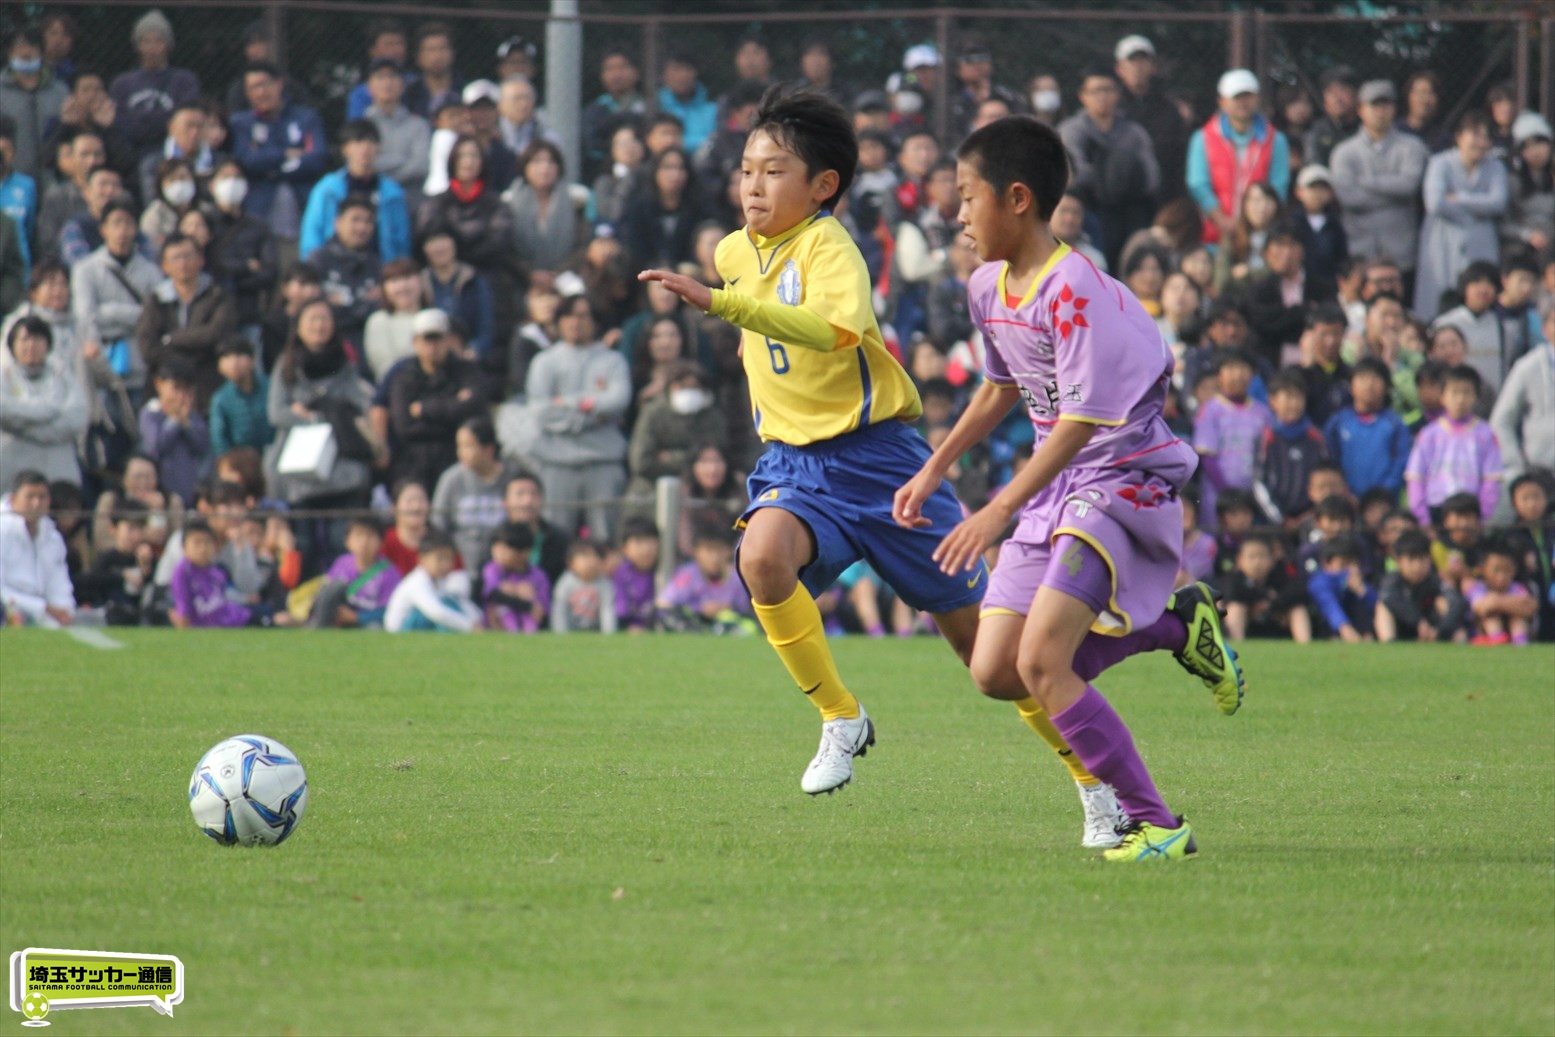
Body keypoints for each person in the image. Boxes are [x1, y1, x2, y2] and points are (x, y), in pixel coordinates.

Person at [894, 114, 1241, 861]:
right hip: (1060, 481)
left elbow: (1081, 420)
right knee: (995, 670)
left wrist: (996, 508)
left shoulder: (1074, 290)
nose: (956, 216)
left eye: (965, 197)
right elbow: (998, 387)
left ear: (1016, 198)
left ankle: (1156, 825)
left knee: (1044, 665)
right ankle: (1179, 625)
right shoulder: (985, 284)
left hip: (1120, 476)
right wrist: (933, 467)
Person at [638, 89, 990, 798]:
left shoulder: (833, 249)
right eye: (746, 170)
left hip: (880, 462)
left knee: (990, 662)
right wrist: (752, 344)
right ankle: (840, 715)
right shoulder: (736, 250)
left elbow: (832, 331)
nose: (753, 185)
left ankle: (1098, 787)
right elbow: (770, 334)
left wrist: (721, 304)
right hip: (798, 466)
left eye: (773, 171)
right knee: (761, 557)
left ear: (822, 185)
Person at [524, 294, 630, 541]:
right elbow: (540, 411)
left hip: (603, 461)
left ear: (595, 321)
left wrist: (568, 403)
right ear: (559, 321)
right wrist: (593, 411)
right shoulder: (544, 361)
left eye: (583, 316)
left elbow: (618, 401)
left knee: (606, 536)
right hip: (557, 462)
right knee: (555, 537)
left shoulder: (612, 360)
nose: (575, 322)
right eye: (569, 315)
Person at [263, 298, 372, 513]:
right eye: (312, 319)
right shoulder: (286, 363)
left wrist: (314, 412)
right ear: (299, 326)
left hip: (341, 461)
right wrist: (312, 419)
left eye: (324, 319)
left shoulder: (345, 363)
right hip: (297, 466)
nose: (319, 325)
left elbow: (356, 405)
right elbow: (277, 413)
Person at [1329, 81, 1428, 290]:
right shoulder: (1344, 152)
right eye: (1374, 105)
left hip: (1402, 251)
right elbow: (1348, 198)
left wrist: (1366, 182)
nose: (1381, 112)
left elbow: (1409, 186)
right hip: (1360, 250)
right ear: (1360, 110)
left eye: (1386, 105)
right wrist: (1394, 194)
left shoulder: (1412, 147)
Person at [1057, 66, 1159, 268]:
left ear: (1117, 94)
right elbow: (1073, 175)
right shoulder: (1070, 131)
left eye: (1108, 90)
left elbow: (1151, 177)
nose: (1103, 96)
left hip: (1129, 210)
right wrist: (1106, 179)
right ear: (1083, 96)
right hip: (1088, 209)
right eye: (1096, 91)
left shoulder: (1134, 133)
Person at [1414, 112, 1508, 319]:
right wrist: (1475, 212)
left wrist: (1461, 198)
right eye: (1475, 135)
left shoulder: (1495, 167)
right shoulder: (1440, 163)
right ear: (1459, 137)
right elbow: (1435, 203)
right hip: (1443, 240)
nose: (1481, 142)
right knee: (1438, 295)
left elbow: (1498, 202)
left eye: (1486, 137)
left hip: (1481, 241)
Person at [231, 61, 327, 256]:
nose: (261, 92)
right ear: (247, 94)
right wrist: (285, 154)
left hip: (303, 208)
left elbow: (316, 159)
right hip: (259, 212)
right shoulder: (241, 123)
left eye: (265, 84)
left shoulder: (307, 118)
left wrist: (269, 165)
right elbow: (247, 160)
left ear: (279, 85)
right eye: (253, 88)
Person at [386, 307, 484, 496]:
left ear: (448, 340)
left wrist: (425, 409)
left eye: (437, 339)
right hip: (415, 463)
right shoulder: (403, 376)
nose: (432, 346)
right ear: (415, 342)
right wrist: (453, 406)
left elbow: (474, 408)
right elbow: (404, 426)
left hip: (455, 458)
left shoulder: (466, 370)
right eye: (426, 340)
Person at [1187, 69, 1290, 246]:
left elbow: (1278, 187)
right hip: (1213, 238)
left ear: (1257, 98)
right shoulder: (1203, 138)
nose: (1243, 103)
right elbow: (1198, 184)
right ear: (1222, 102)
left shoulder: (1276, 140)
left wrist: (1251, 225)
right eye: (1236, 97)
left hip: (1260, 240)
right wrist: (1222, 221)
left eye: (1248, 96)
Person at [137, 232, 237, 406]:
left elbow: (216, 334)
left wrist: (171, 339)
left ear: (200, 260)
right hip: (167, 386)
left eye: (188, 256)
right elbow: (148, 348)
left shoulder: (217, 296)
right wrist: (185, 356)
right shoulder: (156, 300)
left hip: (209, 384)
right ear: (164, 266)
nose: (183, 263)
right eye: (175, 258)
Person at [300, 119, 410, 264]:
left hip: (381, 270)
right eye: (358, 141)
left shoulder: (393, 193)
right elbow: (312, 235)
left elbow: (402, 242)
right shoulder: (326, 190)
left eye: (371, 142)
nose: (365, 148)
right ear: (345, 148)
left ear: (379, 147)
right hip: (332, 271)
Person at [1405, 365, 1503, 526]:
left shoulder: (1486, 434)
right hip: (1436, 509)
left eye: (1466, 392)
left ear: (1476, 397)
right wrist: (1423, 520)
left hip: (1471, 513)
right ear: (1442, 396)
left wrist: (1483, 516)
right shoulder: (1428, 434)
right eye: (1454, 392)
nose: (1460, 399)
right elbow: (1416, 478)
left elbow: (1491, 479)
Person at [0, 313, 87, 491]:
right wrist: (49, 411)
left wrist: (24, 426)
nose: (31, 345)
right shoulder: (4, 376)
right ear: (12, 344)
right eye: (24, 339)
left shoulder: (63, 377)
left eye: (37, 339)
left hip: (59, 470)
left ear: (48, 343)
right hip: (13, 469)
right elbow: (4, 410)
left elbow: (77, 417)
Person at [1194, 350, 1273, 522]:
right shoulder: (1211, 410)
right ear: (1219, 376)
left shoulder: (1263, 412)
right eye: (1230, 369)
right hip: (1218, 496)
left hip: (1252, 498)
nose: (1237, 375)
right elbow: (1207, 457)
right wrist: (1230, 496)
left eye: (1243, 369)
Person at [432, 416, 516, 571]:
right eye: (459, 446)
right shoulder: (451, 479)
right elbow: (439, 524)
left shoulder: (512, 478)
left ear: (488, 449)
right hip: (458, 566)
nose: (460, 453)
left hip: (505, 566)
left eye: (468, 446)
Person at [1114, 35, 1188, 204]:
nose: (1138, 67)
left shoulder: (1169, 109)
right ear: (1119, 69)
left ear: (1153, 67)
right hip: (1121, 201)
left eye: (1143, 61)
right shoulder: (1112, 108)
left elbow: (1179, 158)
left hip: (1162, 198)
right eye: (1132, 61)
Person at [1324, 358, 1411, 499]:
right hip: (1345, 502)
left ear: (1387, 387)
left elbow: (1400, 463)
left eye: (1376, 379)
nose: (1369, 385)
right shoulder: (1337, 423)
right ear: (1351, 386)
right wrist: (1343, 491)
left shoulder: (1395, 424)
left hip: (1384, 502)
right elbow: (1331, 459)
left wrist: (1382, 495)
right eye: (1363, 378)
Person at [1491, 310, 1555, 495]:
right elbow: (1501, 419)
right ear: (1545, 329)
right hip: (1539, 469)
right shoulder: (1529, 366)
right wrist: (1515, 463)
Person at [0, 469, 75, 626]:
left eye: (42, 497)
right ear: (14, 499)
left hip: (41, 614)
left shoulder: (52, 537)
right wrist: (42, 608)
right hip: (8, 610)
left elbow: (59, 583)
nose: (36, 503)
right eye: (30, 497)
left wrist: (64, 609)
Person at [504, 139, 590, 274]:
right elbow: (507, 249)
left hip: (567, 276)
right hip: (521, 279)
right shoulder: (509, 202)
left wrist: (558, 273)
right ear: (525, 166)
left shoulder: (577, 200)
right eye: (537, 161)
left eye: (551, 162)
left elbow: (583, 245)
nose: (545, 168)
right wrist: (530, 274)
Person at [1254, 370, 1327, 525]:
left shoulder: (1316, 438)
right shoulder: (1265, 438)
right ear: (1272, 401)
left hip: (1311, 521)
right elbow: (1258, 482)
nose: (1294, 404)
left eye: (1298, 397)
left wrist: (1309, 518)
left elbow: (1325, 480)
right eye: (1288, 397)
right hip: (1274, 521)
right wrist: (1280, 518)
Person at [310, 194, 382, 350]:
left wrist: (346, 306)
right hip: (330, 347)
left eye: (368, 221)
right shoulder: (319, 261)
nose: (362, 228)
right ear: (338, 223)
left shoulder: (377, 265)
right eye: (355, 220)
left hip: (367, 345)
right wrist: (362, 305)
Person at [0, 27, 68, 183]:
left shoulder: (59, 90)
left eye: (32, 46)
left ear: (42, 52)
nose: (25, 52)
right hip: (11, 178)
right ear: (9, 52)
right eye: (19, 47)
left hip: (53, 178)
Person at [1375, 528, 1465, 643]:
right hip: (1403, 629)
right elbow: (1389, 597)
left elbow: (1457, 603)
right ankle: (1389, 646)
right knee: (1382, 607)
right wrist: (1418, 621)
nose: (1417, 566)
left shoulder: (1434, 580)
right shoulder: (1393, 580)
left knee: (1443, 604)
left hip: (1433, 632)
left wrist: (1440, 630)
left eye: (1422, 559)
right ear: (1399, 562)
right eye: (1411, 559)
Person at [362, 58, 430, 210]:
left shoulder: (419, 125)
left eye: (393, 76)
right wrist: (401, 161)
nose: (387, 83)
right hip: (371, 199)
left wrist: (382, 173)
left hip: (412, 200)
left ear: (403, 85)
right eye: (380, 77)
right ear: (369, 87)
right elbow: (364, 166)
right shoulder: (362, 126)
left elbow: (420, 167)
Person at [657, 525, 752, 633]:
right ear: (696, 552)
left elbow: (747, 608)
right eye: (709, 550)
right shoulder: (687, 576)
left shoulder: (737, 577)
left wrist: (727, 608)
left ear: (729, 551)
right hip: (694, 626)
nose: (714, 557)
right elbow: (663, 604)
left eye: (719, 550)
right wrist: (699, 609)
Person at [137, 360, 207, 506]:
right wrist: (175, 421)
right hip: (163, 490)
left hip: (190, 487)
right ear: (159, 384)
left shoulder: (191, 415)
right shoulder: (151, 413)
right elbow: (155, 446)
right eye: (176, 388)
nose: (180, 395)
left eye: (185, 389)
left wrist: (187, 424)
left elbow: (202, 446)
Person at [312, 515, 401, 629]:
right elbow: (327, 594)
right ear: (347, 541)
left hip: (368, 623)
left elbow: (389, 609)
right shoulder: (341, 563)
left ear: (381, 542)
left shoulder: (389, 572)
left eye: (370, 535)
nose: (364, 541)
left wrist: (356, 617)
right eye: (358, 535)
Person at [384, 529, 480, 632]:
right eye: (440, 558)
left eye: (449, 558)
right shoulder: (417, 581)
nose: (445, 564)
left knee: (450, 601)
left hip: (417, 624)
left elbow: (459, 602)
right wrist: (469, 626)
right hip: (401, 629)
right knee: (444, 606)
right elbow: (435, 611)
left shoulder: (439, 580)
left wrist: (476, 619)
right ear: (422, 559)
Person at [1218, 534, 1310, 642]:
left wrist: (1272, 604)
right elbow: (1233, 594)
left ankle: (1304, 646)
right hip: (1247, 621)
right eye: (1251, 557)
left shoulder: (1279, 574)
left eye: (1262, 556)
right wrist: (1263, 597)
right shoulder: (1235, 578)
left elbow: (1299, 591)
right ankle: (1237, 646)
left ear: (1271, 559)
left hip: (1276, 619)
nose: (1257, 563)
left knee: (1298, 609)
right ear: (1240, 560)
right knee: (1235, 608)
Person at [166, 518, 248, 628]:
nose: (203, 548)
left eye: (207, 542)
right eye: (197, 543)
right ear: (184, 548)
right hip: (205, 625)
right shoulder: (183, 572)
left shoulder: (217, 571)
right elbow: (183, 609)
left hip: (231, 620)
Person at [580, 49, 645, 184]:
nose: (616, 75)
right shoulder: (594, 110)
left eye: (622, 67)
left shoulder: (649, 107)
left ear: (637, 72)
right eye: (609, 69)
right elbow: (591, 146)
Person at [1464, 537, 1537, 646]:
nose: (1501, 577)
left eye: (1507, 570)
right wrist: (1510, 604)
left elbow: (1530, 607)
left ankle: (1521, 645)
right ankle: (1498, 643)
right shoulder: (1477, 587)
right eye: (1496, 570)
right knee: (1491, 617)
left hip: (1511, 631)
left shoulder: (1517, 588)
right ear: (1483, 569)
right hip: (1482, 635)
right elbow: (1481, 608)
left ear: (1514, 570)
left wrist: (1495, 601)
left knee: (1518, 619)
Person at [481, 520, 550, 633]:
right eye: (495, 548)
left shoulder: (538, 575)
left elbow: (542, 608)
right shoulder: (492, 569)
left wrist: (530, 601)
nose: (497, 554)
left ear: (524, 553)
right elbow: (493, 594)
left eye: (504, 549)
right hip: (497, 625)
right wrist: (524, 602)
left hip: (530, 623)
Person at [1501, 111, 1553, 261]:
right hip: (1519, 254)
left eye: (1539, 142)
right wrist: (1527, 235)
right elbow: (1503, 224)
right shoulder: (1512, 181)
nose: (1535, 150)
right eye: (1527, 146)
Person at [208, 334, 271, 457]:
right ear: (219, 366)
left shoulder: (271, 386)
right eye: (227, 357)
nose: (234, 362)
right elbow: (219, 440)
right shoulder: (220, 399)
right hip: (241, 463)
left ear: (252, 360)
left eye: (239, 355)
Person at [1306, 534, 1375, 642]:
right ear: (1326, 564)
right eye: (1344, 565)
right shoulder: (1319, 582)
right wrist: (1346, 630)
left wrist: (1362, 591)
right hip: (1325, 630)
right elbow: (1331, 608)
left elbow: (1376, 604)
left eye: (1353, 564)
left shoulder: (1357, 579)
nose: (1349, 570)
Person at [550, 538, 615, 633]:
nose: (592, 561)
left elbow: (607, 610)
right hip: (570, 632)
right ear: (571, 563)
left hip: (595, 633)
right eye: (585, 556)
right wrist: (561, 635)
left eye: (596, 556)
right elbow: (559, 611)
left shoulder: (605, 584)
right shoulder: (565, 583)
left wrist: (609, 635)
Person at [657, 54, 716, 154]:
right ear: (664, 75)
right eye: (676, 69)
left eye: (687, 69)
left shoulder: (713, 111)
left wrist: (680, 143)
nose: (682, 75)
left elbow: (716, 143)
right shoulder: (656, 107)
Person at [403, 23, 462, 122]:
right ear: (418, 58)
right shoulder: (409, 93)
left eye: (442, 48)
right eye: (431, 50)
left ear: (452, 54)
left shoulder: (464, 89)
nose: (437, 55)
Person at [1303, 66, 1360, 167]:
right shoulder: (1317, 131)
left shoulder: (1366, 129)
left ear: (1356, 95)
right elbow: (1314, 167)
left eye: (1343, 90)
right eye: (1330, 91)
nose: (1337, 98)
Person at [613, 516, 659, 631]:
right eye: (639, 542)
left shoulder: (662, 572)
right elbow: (621, 609)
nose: (646, 548)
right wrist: (631, 626)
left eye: (651, 541)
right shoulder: (622, 574)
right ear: (625, 549)